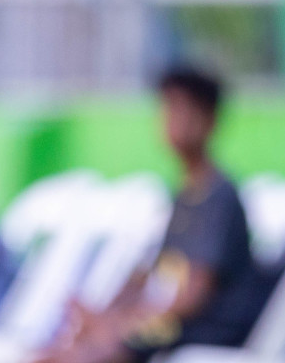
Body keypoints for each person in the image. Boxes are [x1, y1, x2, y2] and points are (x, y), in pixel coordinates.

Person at [31, 65, 263, 363]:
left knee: (99, 350)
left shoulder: (220, 197)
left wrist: (119, 323)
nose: (174, 121)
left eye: (185, 110)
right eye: (168, 109)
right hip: (170, 324)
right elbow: (151, 273)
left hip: (202, 329)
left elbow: (192, 298)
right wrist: (105, 314)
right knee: (56, 351)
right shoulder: (184, 195)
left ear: (211, 121)